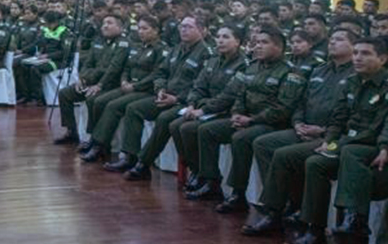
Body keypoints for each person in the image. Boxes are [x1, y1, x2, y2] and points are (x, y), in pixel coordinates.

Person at [241, 28, 357, 233]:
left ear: (353, 46)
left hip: (331, 137)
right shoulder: (320, 70)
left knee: (285, 154)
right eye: (331, 39)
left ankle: (274, 212)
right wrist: (297, 124)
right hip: (303, 129)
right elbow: (301, 102)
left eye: (339, 39)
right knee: (264, 143)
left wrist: (322, 131)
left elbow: (351, 116)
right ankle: (284, 202)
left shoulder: (356, 74)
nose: (332, 43)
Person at [281, 35, 388, 244]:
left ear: (383, 59)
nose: (357, 58)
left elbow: (384, 125)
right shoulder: (351, 82)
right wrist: (327, 142)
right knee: (316, 162)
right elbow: (338, 119)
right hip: (348, 142)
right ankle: (314, 227)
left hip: (372, 145)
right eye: (356, 53)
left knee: (350, 152)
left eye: (365, 54)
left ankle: (354, 218)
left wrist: (384, 147)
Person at [186, 27, 301, 207]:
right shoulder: (252, 67)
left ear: (279, 47)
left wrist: (252, 120)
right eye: (256, 43)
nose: (258, 47)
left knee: (241, 138)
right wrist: (237, 114)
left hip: (272, 124)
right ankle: (211, 181)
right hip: (246, 119)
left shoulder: (290, 72)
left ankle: (238, 192)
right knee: (207, 130)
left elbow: (283, 108)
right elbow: (239, 94)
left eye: (264, 43)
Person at [108, 15, 211, 176]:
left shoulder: (206, 54)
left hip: (186, 102)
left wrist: (177, 99)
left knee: (164, 119)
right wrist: (160, 89)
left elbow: (200, 85)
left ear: (201, 30)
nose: (184, 30)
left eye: (189, 27)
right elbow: (161, 72)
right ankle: (130, 156)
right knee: (134, 108)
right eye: (182, 26)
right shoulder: (177, 48)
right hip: (165, 96)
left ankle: (144, 164)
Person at [81, 15, 168, 163]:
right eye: (139, 28)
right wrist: (124, 80)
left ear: (156, 31)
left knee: (113, 105)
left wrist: (135, 86)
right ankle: (100, 143)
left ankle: (100, 145)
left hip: (144, 90)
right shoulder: (137, 47)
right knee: (99, 100)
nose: (141, 32)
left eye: (145, 29)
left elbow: (156, 74)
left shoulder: (162, 50)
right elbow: (127, 67)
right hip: (128, 86)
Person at [52, 14, 129, 146]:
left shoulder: (123, 44)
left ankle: (93, 139)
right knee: (65, 94)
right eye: (104, 23)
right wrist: (82, 79)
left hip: (110, 84)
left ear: (120, 27)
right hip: (91, 81)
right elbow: (87, 63)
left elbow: (114, 69)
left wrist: (99, 85)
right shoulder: (98, 41)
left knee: (92, 99)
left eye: (110, 23)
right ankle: (71, 132)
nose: (105, 26)